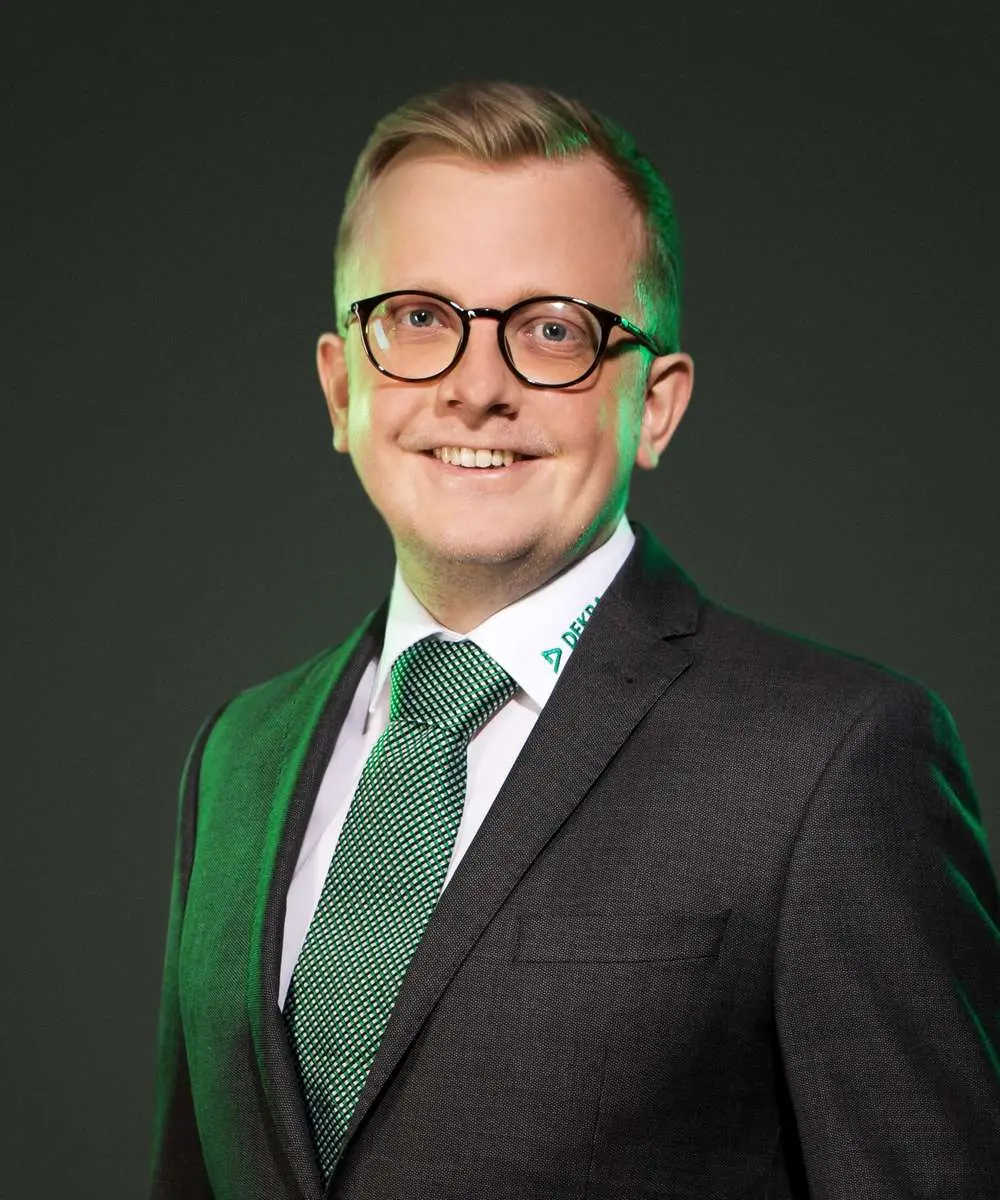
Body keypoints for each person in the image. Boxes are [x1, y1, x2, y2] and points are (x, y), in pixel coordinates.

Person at [149, 81, 1000, 1200]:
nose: (475, 388)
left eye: (553, 331)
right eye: (419, 317)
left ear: (657, 405)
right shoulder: (237, 757)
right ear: (341, 386)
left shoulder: (833, 761)